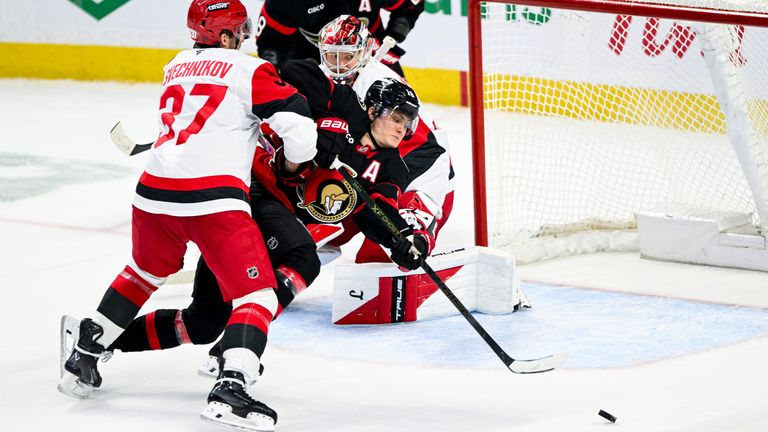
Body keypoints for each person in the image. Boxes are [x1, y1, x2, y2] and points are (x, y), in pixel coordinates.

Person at [58, 1, 317, 431]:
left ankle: (84, 353)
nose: (244, 37)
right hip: (212, 199)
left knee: (142, 273)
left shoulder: (175, 65)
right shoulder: (249, 69)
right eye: (239, 30)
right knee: (257, 295)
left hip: (153, 193)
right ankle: (231, 386)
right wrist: (294, 163)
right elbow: (301, 127)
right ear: (227, 35)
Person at [311, 15, 455, 266]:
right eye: (333, 56)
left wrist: (416, 226)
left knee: (386, 253)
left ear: (364, 53)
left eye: (347, 56)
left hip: (419, 175)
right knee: (314, 226)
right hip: (366, 169)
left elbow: (430, 155)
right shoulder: (321, 80)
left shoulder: (384, 88)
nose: (339, 65)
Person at [253, 0, 424, 77]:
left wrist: (396, 32)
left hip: (369, 49)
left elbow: (411, 4)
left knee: (401, 103)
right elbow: (271, 40)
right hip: (309, 55)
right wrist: (275, 71)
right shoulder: (291, 3)